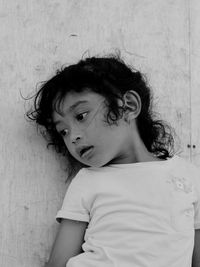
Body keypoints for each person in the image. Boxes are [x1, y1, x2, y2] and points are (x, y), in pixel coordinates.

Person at [27, 55, 200, 267]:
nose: (72, 137)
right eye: (63, 130)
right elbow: (58, 263)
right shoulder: (88, 180)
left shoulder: (187, 176)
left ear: (128, 106)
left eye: (81, 116)